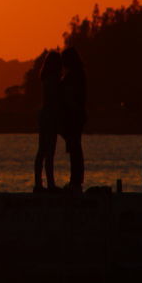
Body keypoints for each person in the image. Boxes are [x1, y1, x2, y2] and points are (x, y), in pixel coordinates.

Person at [33, 51, 64, 193]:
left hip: (44, 115)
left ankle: (39, 184)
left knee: (42, 151)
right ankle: (49, 184)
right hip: (50, 117)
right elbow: (55, 102)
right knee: (49, 151)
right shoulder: (53, 81)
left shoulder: (46, 79)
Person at [59, 47, 87, 192]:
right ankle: (76, 180)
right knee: (76, 148)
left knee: (74, 148)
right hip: (77, 115)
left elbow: (70, 97)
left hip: (73, 116)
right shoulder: (80, 74)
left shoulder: (72, 76)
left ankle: (75, 181)